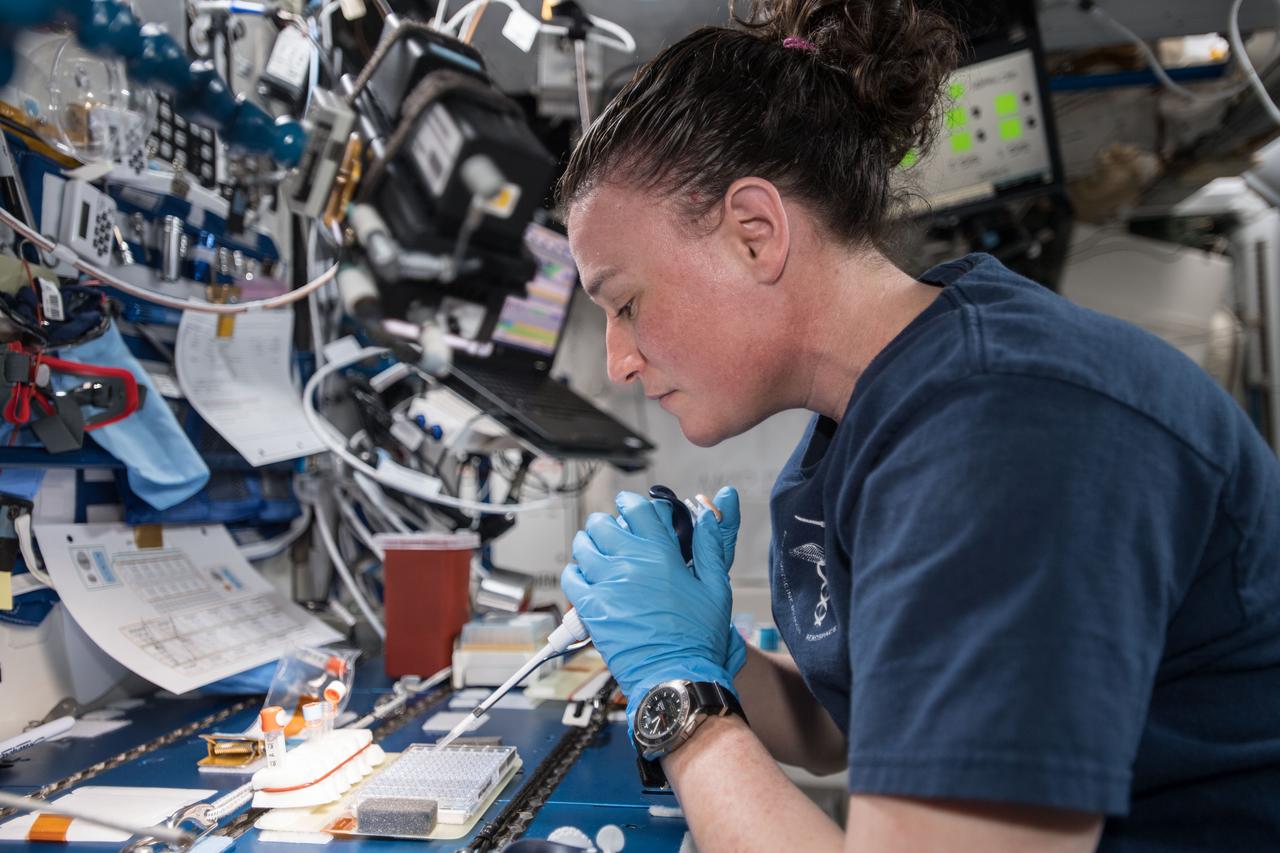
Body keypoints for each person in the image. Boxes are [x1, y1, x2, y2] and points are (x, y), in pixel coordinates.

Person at [555, 0, 1280, 850]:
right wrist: (715, 652)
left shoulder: (1004, 427)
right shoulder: (864, 431)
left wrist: (678, 696)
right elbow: (855, 726)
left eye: (627, 304)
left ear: (755, 235)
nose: (618, 362)